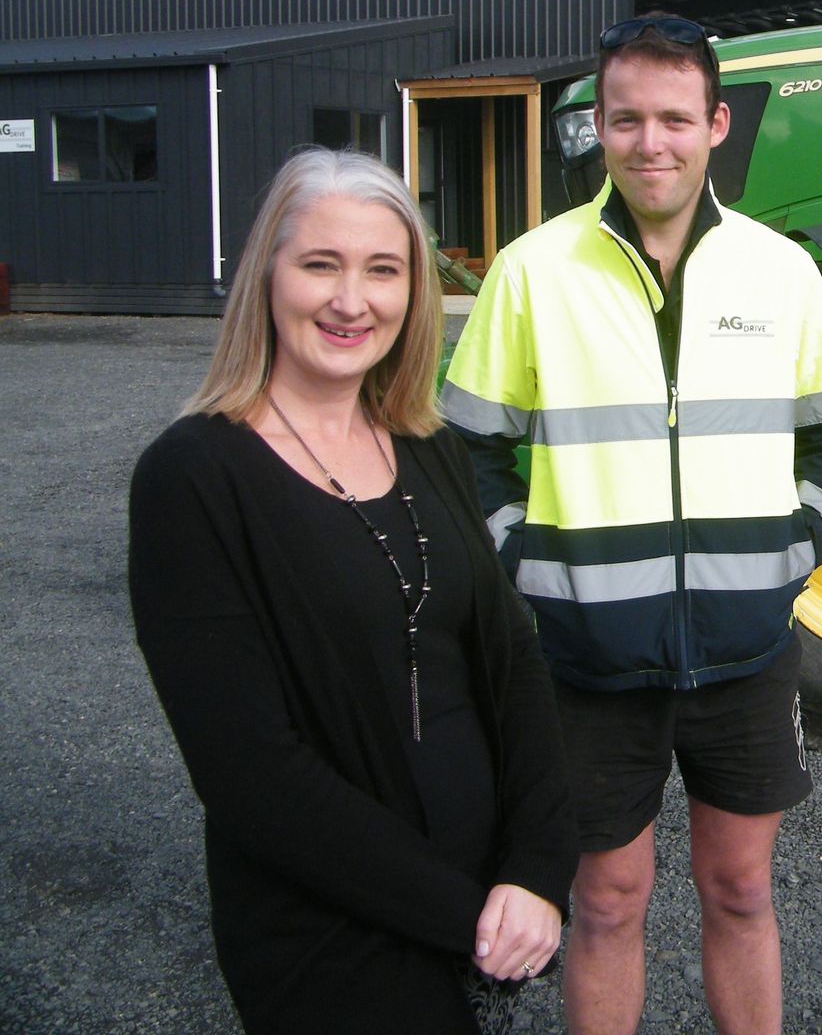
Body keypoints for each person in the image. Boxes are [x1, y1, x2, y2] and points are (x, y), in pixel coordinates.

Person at [441, 14, 822, 1035]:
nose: (650, 143)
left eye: (675, 118)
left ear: (716, 123)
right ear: (598, 125)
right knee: (605, 901)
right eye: (625, 118)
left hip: (746, 652)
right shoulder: (531, 272)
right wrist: (531, 567)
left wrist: (788, 560)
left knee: (740, 892)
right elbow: (466, 452)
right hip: (585, 663)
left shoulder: (781, 271)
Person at [128, 148, 578, 1034]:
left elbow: (514, 664)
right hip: (327, 934)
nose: (351, 300)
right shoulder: (193, 477)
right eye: (319, 265)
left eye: (383, 269)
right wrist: (467, 920)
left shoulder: (429, 446)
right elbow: (250, 773)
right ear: (266, 276)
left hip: (491, 909)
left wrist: (536, 869)